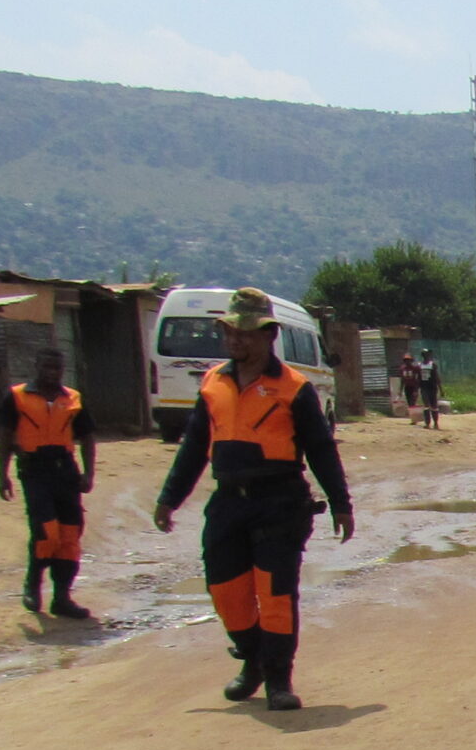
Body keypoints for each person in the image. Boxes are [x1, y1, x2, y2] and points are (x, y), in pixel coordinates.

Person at [152, 288, 355, 712]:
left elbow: (321, 449)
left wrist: (341, 503)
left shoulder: (295, 389)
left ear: (269, 334)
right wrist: (169, 498)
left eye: (244, 332)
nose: (235, 340)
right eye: (229, 332)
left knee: (276, 593)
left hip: (279, 502)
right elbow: (194, 446)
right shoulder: (213, 383)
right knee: (226, 591)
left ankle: (278, 679)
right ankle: (253, 658)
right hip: (228, 504)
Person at [0, 347, 98, 619]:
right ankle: (33, 582)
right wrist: (2, 474)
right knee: (46, 532)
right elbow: (6, 437)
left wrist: (89, 474)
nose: (52, 373)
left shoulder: (73, 398)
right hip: (34, 470)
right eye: (47, 367)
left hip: (65, 470)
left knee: (69, 535)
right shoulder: (17, 397)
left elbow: (87, 436)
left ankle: (62, 597)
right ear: (37, 366)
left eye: (57, 368)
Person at [417, 350, 443, 429]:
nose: (427, 356)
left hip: (432, 387)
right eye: (425, 355)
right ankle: (427, 423)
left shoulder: (432, 365)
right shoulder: (420, 366)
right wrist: (416, 389)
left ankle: (435, 423)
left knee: (434, 406)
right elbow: (418, 378)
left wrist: (441, 389)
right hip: (424, 387)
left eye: (428, 355)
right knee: (426, 406)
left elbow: (436, 377)